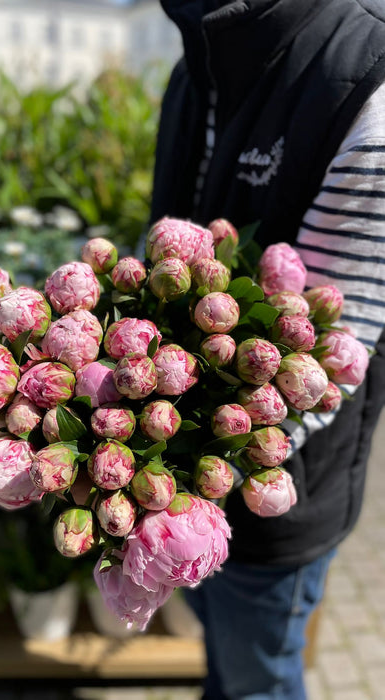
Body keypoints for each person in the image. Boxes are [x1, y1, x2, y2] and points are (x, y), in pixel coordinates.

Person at [151, 1, 385, 698]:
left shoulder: (362, 76)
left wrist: (175, 473)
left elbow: (328, 361)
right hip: (181, 484)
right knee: (224, 666)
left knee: (259, 680)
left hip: (275, 494)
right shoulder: (196, 64)